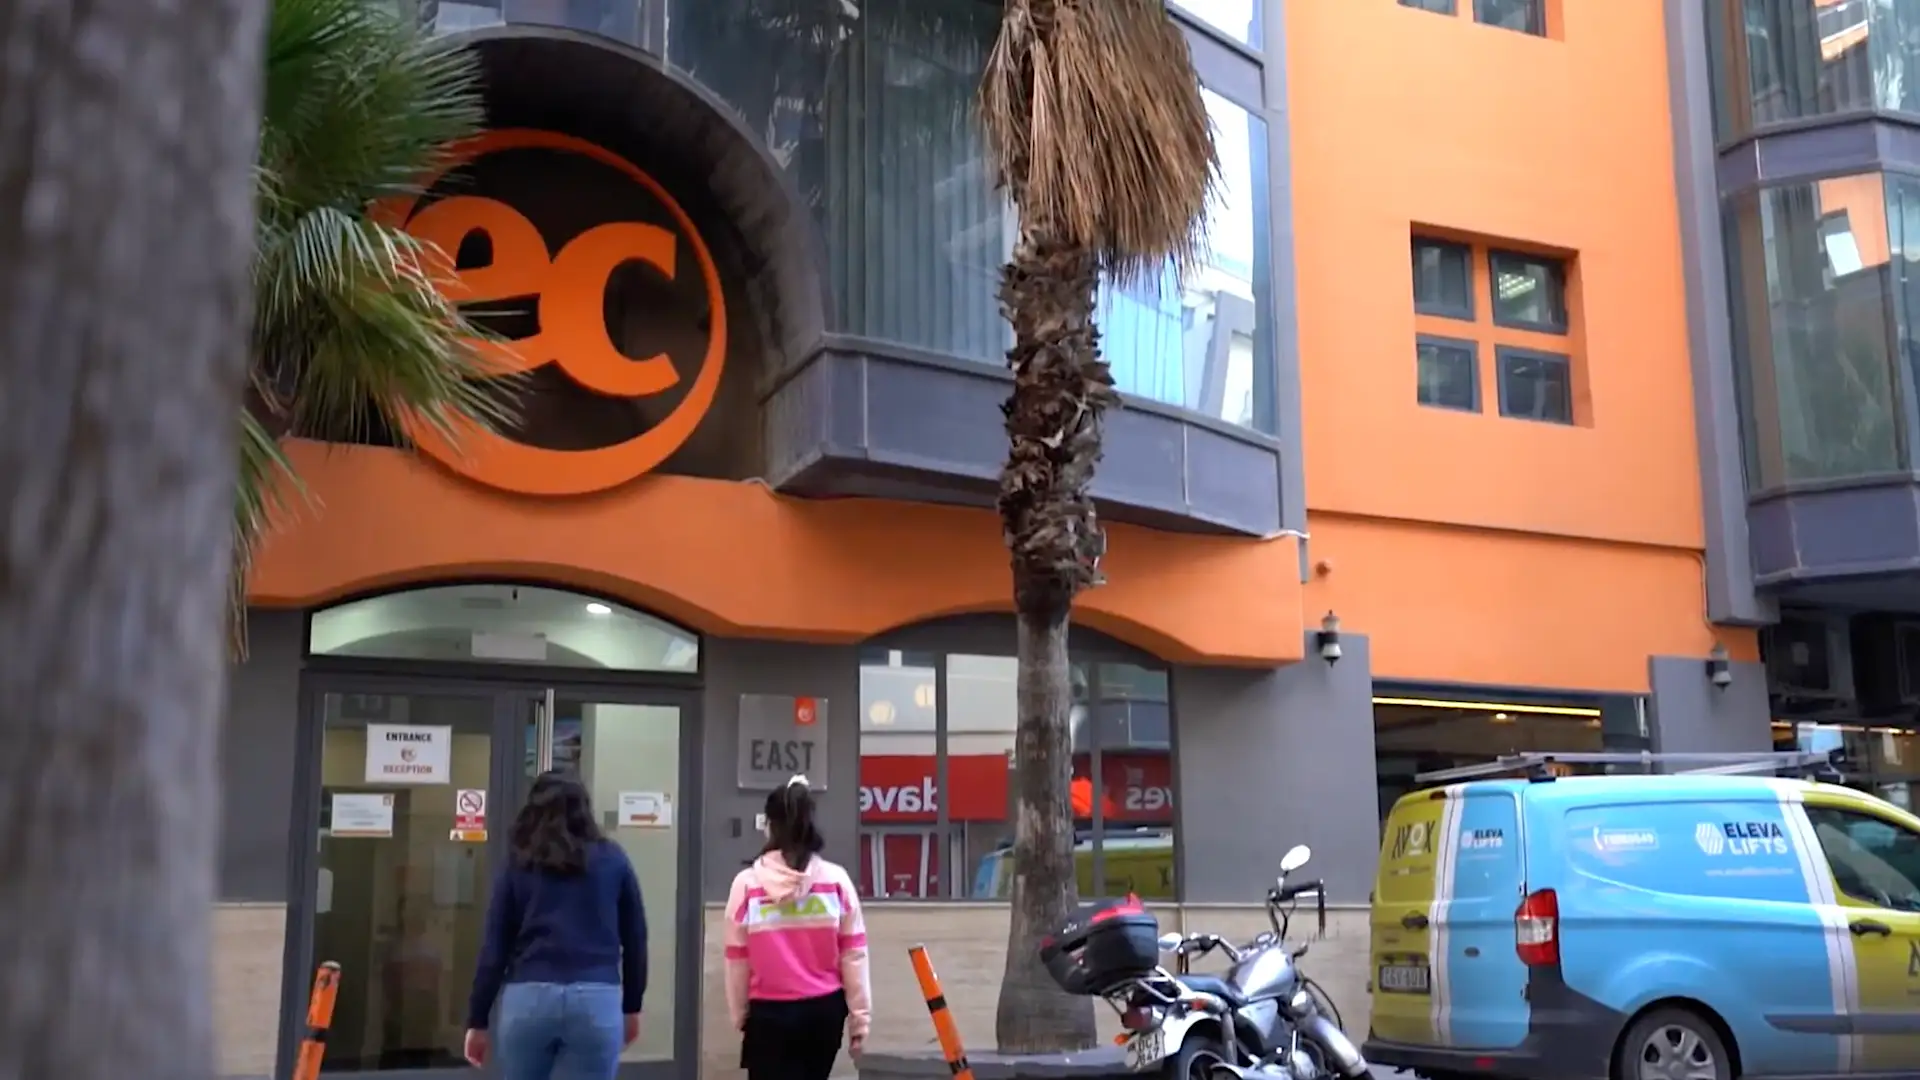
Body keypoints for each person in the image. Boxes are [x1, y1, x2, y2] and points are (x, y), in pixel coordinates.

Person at [464, 771, 647, 1080]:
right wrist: (632, 1005)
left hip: (528, 999)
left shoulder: (518, 862)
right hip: (595, 999)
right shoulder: (613, 859)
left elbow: (494, 948)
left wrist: (477, 1019)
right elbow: (636, 939)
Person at [725, 774, 872, 1080]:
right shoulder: (836, 883)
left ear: (770, 825)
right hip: (824, 1014)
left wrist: (740, 1015)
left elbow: (737, 959)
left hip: (768, 1015)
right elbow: (854, 955)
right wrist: (860, 1021)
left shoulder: (747, 886)